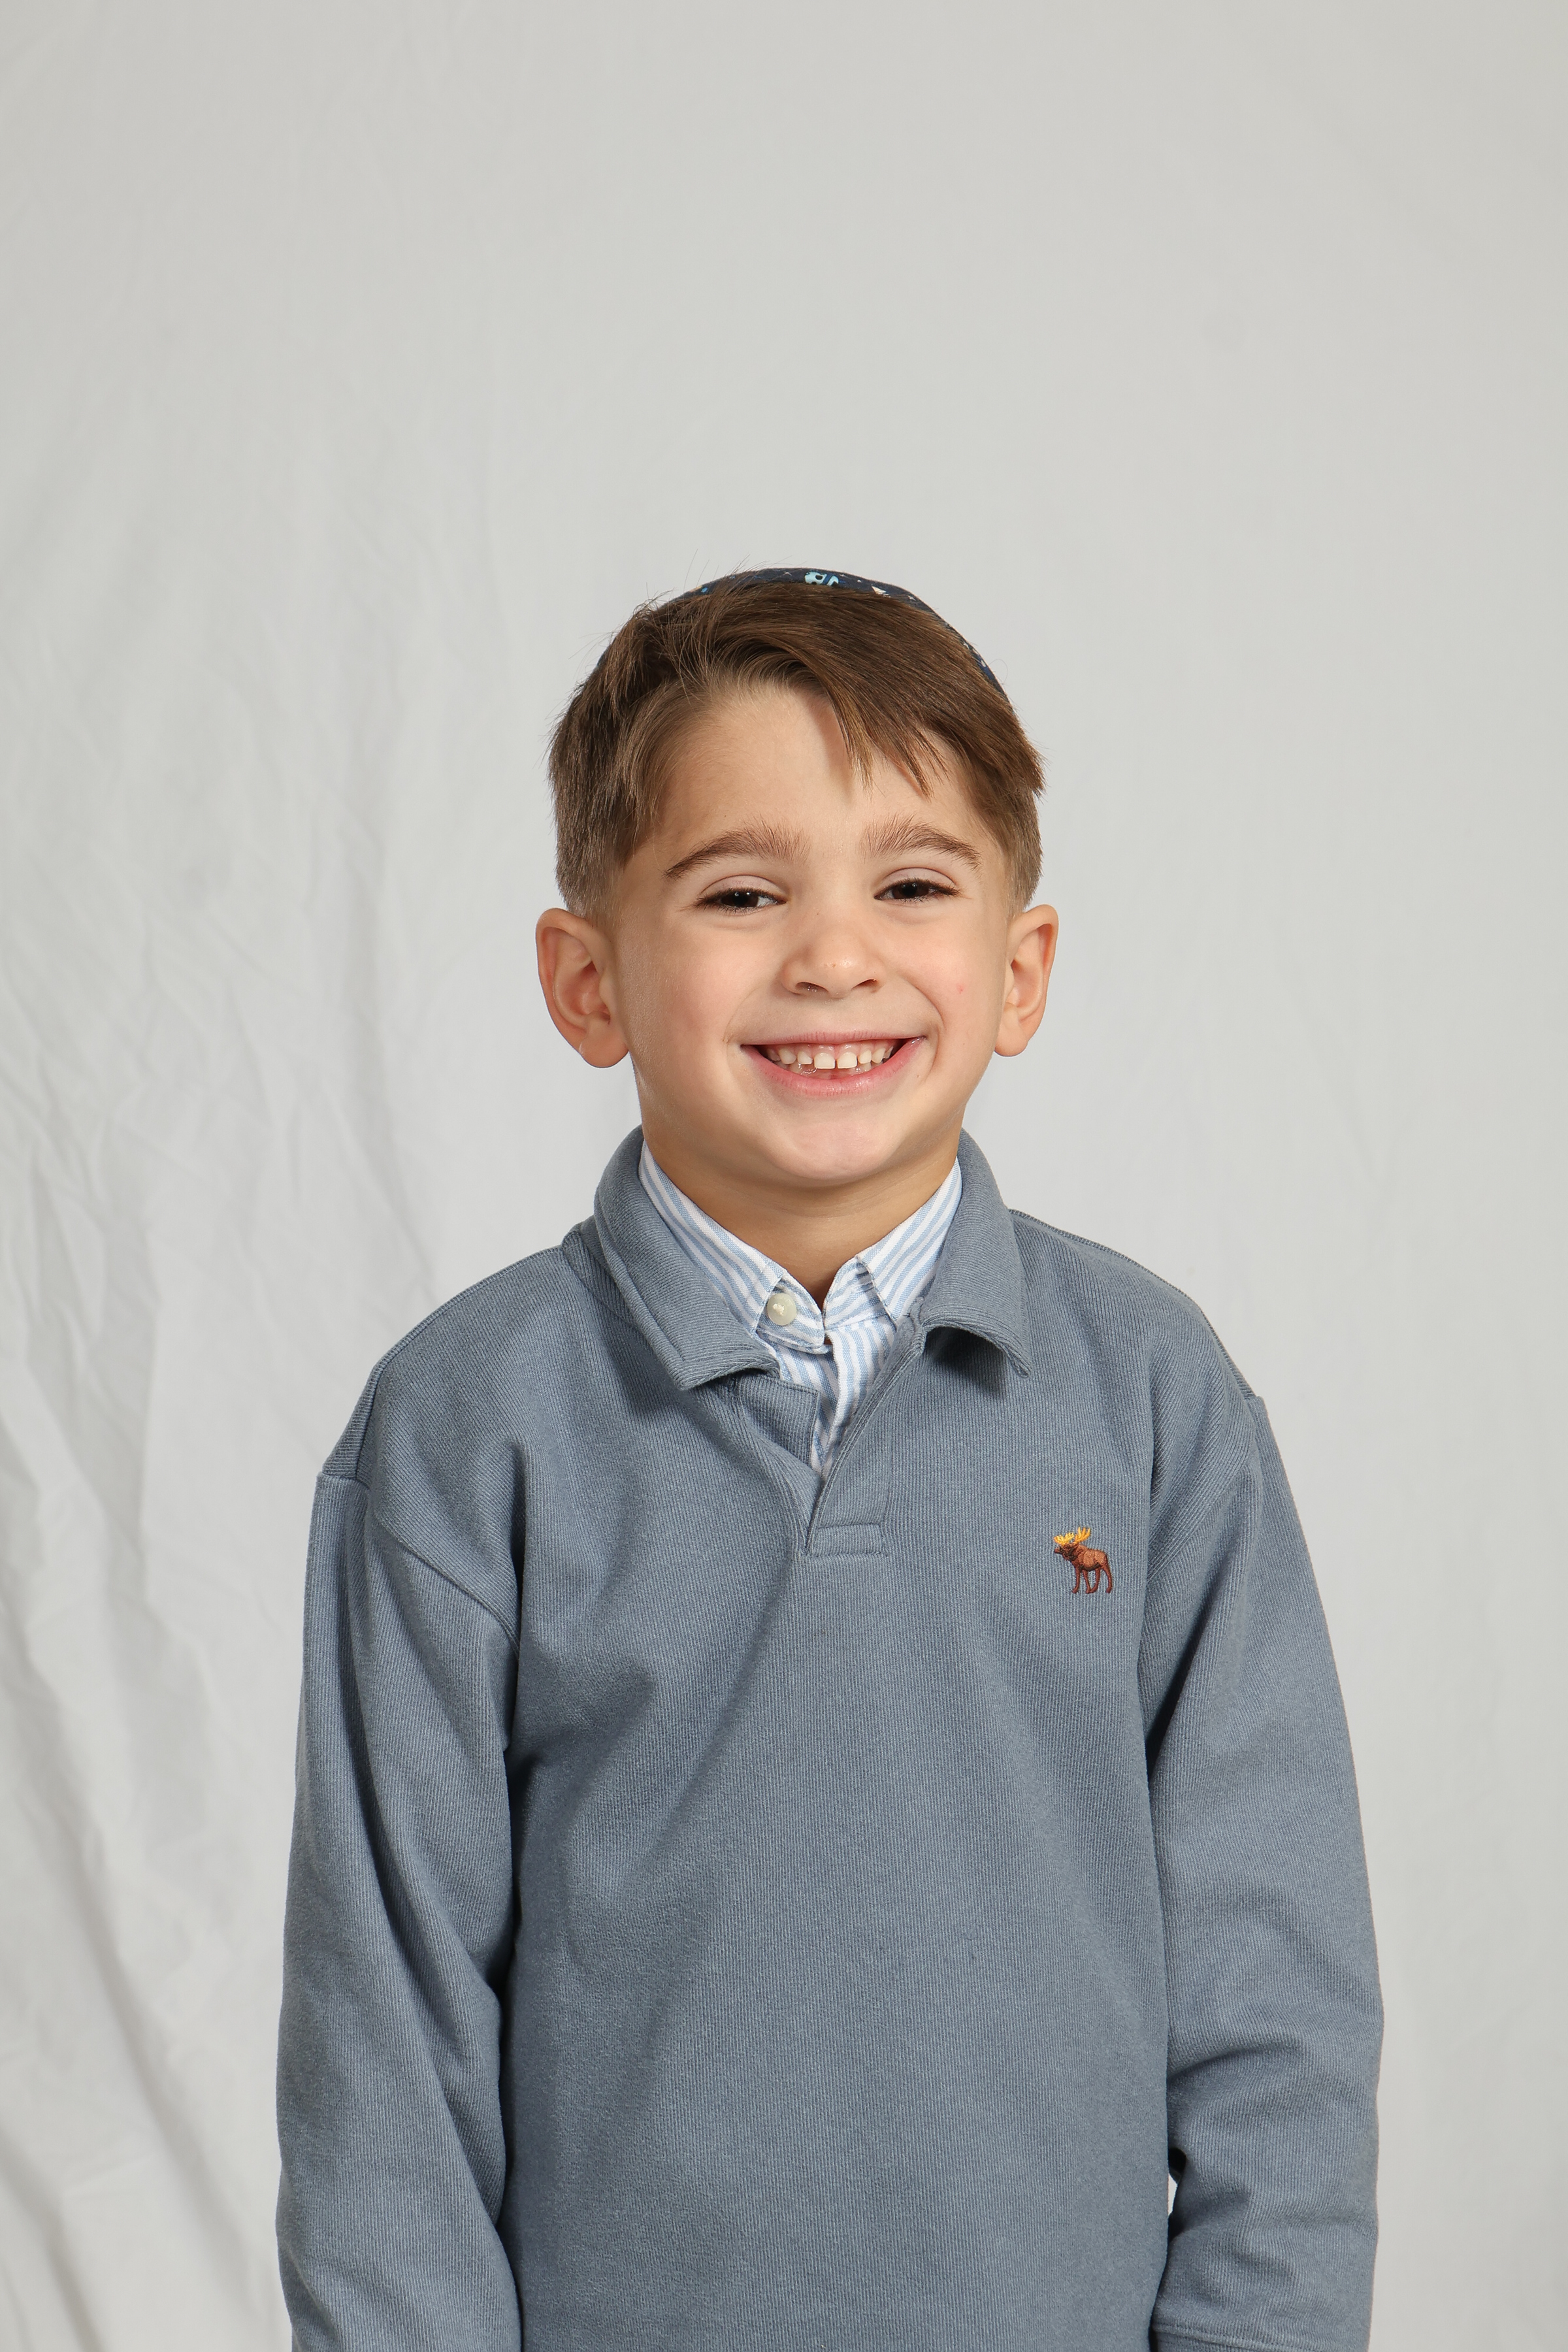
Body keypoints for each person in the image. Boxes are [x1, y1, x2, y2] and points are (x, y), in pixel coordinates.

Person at [276, 569, 1382, 2352]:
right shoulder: (465, 1425)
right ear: (588, 981)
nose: (835, 957)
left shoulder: (1156, 1397)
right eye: (741, 892)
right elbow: (382, 2061)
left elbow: (1282, 2006)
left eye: (913, 885)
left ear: (1019, 971)